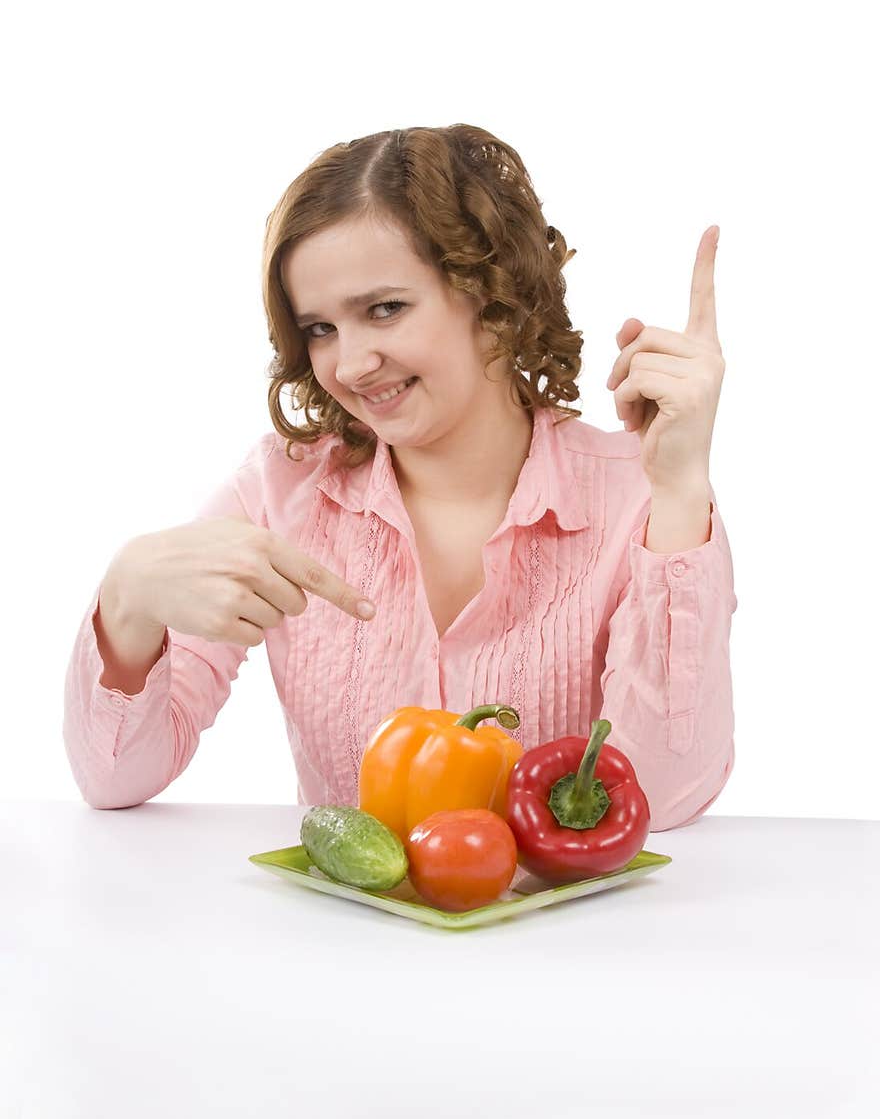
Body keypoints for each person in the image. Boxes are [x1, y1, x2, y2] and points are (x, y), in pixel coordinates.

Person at [63, 123, 737, 830]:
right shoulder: (277, 495)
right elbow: (114, 780)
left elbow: (659, 797)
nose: (349, 365)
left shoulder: (639, 497)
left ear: (491, 294)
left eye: (384, 309)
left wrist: (683, 486)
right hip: (341, 941)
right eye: (319, 328)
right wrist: (127, 601)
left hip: (570, 942)